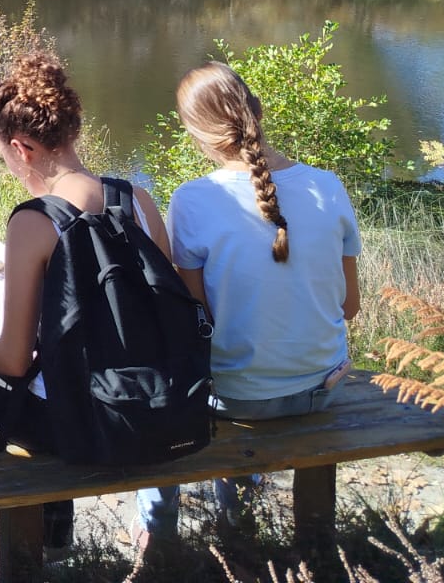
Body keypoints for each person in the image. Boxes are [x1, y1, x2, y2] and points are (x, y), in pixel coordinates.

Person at [0, 51, 172, 570]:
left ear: (22, 148)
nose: (8, 167)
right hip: (146, 401)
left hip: (73, 420)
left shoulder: (35, 220)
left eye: (4, 157)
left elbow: (12, 360)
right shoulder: (139, 200)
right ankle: (57, 544)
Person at [137, 62, 362, 544]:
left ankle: (186, 536)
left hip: (236, 398)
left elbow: (198, 324)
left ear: (197, 133)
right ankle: (249, 523)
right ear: (256, 110)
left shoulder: (193, 199)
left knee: (186, 382)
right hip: (323, 386)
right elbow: (349, 307)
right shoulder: (329, 186)